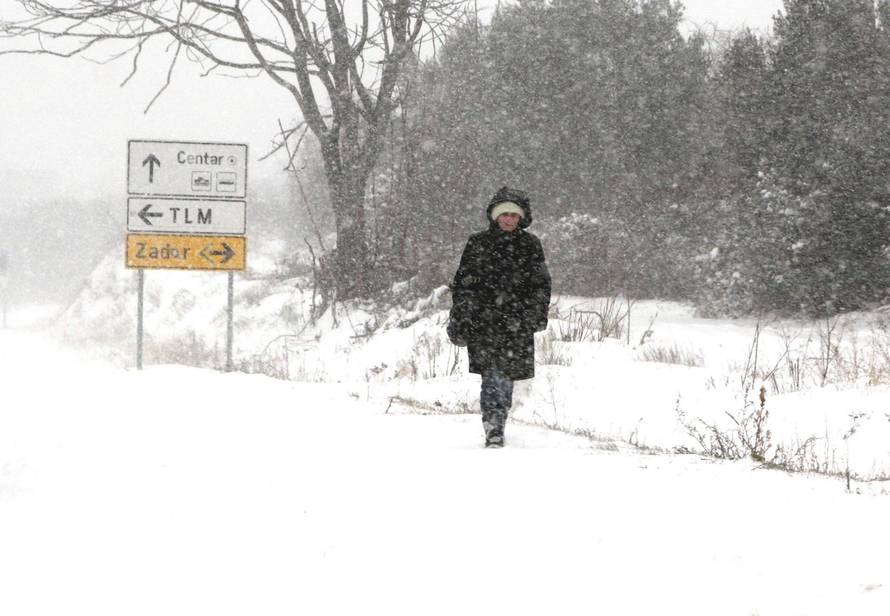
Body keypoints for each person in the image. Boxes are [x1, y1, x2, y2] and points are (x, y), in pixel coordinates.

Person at [447, 186, 552, 448]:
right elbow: (463, 283)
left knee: (505, 377)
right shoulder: (478, 243)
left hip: (517, 322)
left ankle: (498, 419)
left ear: (521, 218)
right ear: (495, 216)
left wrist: (536, 313)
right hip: (483, 321)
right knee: (492, 375)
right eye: (504, 214)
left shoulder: (530, 245)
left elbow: (541, 284)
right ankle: (493, 427)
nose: (508, 219)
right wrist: (461, 315)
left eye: (513, 215)